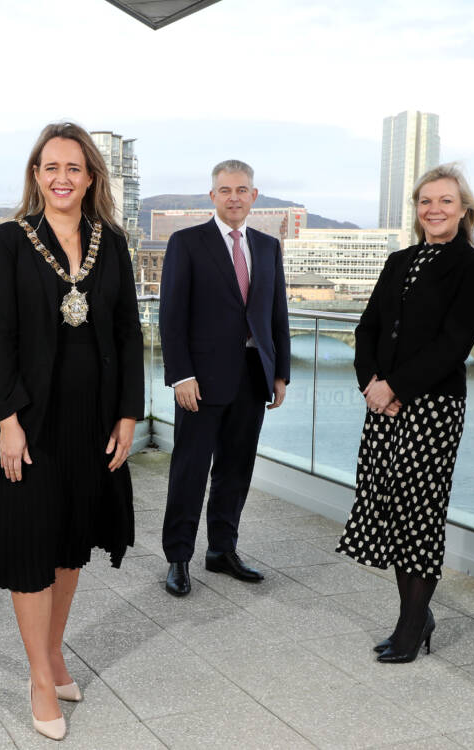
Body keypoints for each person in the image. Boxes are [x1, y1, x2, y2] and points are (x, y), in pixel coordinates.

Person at [0, 122, 141, 741]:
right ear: (35, 176)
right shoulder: (12, 240)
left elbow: (127, 331)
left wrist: (128, 414)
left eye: (73, 167)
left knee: (72, 541)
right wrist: (7, 421)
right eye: (50, 167)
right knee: (31, 545)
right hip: (31, 419)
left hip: (92, 417)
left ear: (91, 175)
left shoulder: (112, 241)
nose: (62, 177)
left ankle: (55, 652)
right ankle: (41, 678)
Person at [339, 163, 474, 663]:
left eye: (445, 201)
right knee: (389, 507)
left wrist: (396, 385)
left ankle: (411, 625)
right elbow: (368, 328)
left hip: (434, 406)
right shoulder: (398, 260)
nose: (434, 210)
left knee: (420, 513)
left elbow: (455, 343)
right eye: (426, 201)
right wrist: (371, 384)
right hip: (383, 403)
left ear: (464, 208)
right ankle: (416, 614)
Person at [158, 159, 290, 598]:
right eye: (226, 190)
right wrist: (181, 375)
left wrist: (281, 373)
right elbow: (172, 316)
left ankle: (222, 551)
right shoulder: (187, 243)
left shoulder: (268, 247)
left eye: (242, 189)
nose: (234, 197)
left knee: (236, 471)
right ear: (212, 196)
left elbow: (277, 315)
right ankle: (178, 558)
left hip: (253, 378)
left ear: (255, 196)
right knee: (190, 471)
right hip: (200, 382)